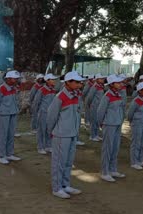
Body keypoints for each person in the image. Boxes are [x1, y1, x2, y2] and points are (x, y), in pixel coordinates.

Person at [47, 71, 85, 199]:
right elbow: (51, 116)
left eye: (80, 82)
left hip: (72, 133)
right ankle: (56, 188)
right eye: (77, 82)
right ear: (68, 82)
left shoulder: (76, 95)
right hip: (61, 134)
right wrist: (52, 131)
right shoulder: (60, 97)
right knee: (59, 162)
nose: (80, 84)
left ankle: (65, 184)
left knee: (68, 161)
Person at [97, 74, 125, 182]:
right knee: (107, 148)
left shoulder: (118, 94)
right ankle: (105, 172)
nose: (120, 84)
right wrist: (101, 123)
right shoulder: (107, 96)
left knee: (115, 147)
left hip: (117, 123)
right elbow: (100, 111)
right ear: (112, 84)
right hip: (109, 124)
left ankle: (113, 169)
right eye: (118, 83)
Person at [0, 70, 22, 165]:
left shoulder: (14, 88)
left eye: (17, 78)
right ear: (8, 79)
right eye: (15, 78)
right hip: (4, 114)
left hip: (13, 113)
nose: (17, 80)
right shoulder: (1, 88)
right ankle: (1, 156)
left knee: (10, 134)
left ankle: (9, 153)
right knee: (2, 135)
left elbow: (16, 100)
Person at [33, 73, 58, 154]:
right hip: (43, 113)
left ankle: (48, 145)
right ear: (47, 81)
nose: (54, 81)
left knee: (49, 129)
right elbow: (36, 102)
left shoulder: (53, 90)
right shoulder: (42, 90)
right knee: (41, 130)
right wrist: (36, 113)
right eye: (52, 79)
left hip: (51, 114)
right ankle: (40, 147)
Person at [86, 73, 107, 141]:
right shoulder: (94, 87)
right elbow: (90, 97)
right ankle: (92, 135)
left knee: (97, 120)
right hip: (94, 106)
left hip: (99, 106)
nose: (103, 80)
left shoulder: (100, 86)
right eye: (101, 78)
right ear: (97, 79)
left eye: (103, 78)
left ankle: (96, 134)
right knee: (93, 121)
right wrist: (90, 104)